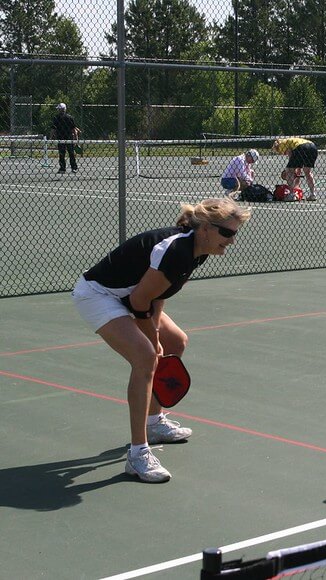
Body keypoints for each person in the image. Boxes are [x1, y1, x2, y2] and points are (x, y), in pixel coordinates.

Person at [72, 198, 252, 482]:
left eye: (235, 234)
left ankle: (154, 422)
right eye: (227, 233)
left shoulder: (199, 250)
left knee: (176, 342)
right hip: (99, 295)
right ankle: (138, 452)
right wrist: (151, 337)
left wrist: (155, 332)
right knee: (145, 356)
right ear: (205, 228)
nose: (231, 241)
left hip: (131, 296)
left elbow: (158, 294)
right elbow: (139, 298)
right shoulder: (177, 249)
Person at [50, 102, 80, 174]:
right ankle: (74, 167)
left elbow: (53, 130)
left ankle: (62, 168)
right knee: (71, 153)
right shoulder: (70, 117)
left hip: (61, 138)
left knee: (62, 154)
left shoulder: (56, 118)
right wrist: (76, 140)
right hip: (69, 138)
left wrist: (51, 138)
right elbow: (74, 130)